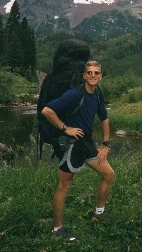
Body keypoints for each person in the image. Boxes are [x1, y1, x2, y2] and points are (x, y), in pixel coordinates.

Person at [42, 60, 114, 243]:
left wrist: (105, 144)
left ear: (101, 76)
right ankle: (57, 229)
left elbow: (104, 118)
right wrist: (66, 128)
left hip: (87, 143)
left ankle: (99, 213)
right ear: (84, 76)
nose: (92, 75)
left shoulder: (98, 94)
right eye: (89, 72)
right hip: (72, 145)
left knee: (108, 174)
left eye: (96, 73)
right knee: (64, 186)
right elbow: (47, 110)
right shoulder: (74, 93)